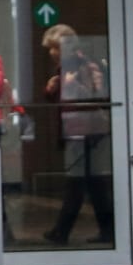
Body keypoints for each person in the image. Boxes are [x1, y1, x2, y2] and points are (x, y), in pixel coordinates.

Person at [41, 24, 115, 245]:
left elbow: (97, 95)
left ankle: (62, 231)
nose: (52, 53)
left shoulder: (84, 66)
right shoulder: (64, 68)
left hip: (85, 129)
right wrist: (51, 89)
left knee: (78, 181)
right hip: (78, 128)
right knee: (93, 182)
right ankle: (108, 230)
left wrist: (71, 87)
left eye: (55, 48)